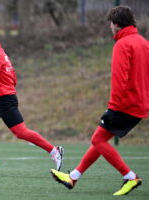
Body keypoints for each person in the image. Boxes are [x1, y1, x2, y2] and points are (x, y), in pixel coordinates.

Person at [51, 6, 149, 196]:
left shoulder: (122, 44)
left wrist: (113, 106)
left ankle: (130, 176)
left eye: (111, 24)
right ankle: (73, 177)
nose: (110, 28)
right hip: (140, 103)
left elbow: (119, 79)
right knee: (101, 139)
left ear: (116, 24)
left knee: (97, 139)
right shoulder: (144, 43)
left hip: (125, 104)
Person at [0, 27, 64, 171]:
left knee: (20, 132)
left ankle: (54, 151)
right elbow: (12, 76)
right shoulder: (0, 53)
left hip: (4, 99)